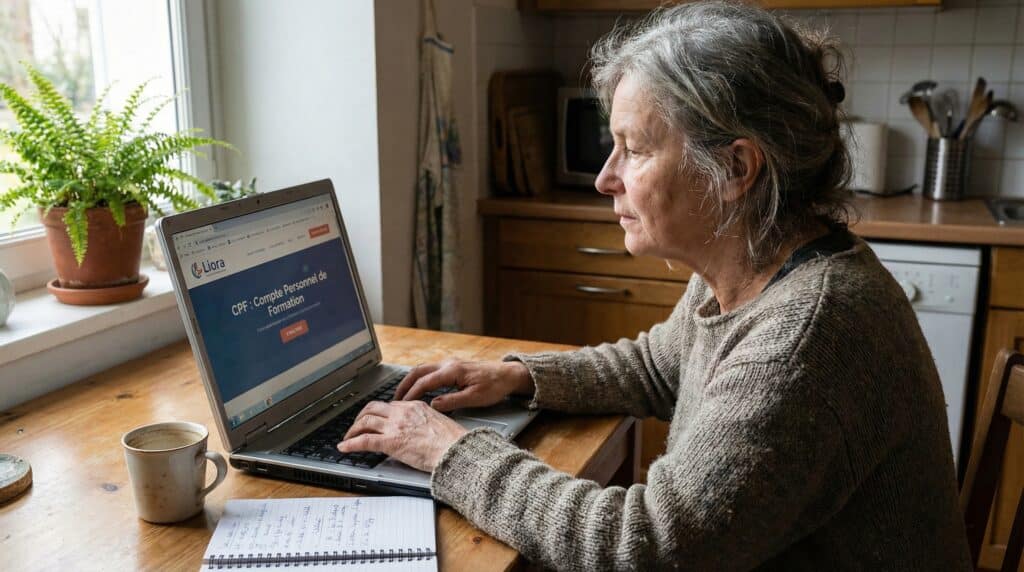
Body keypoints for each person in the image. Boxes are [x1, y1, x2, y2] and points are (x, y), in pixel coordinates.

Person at [338, 2, 972, 569]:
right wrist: (521, 377)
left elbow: (644, 547)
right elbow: (660, 364)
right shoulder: (752, 260)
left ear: (734, 167)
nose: (604, 178)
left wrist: (453, 452)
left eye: (633, 149)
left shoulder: (807, 336)